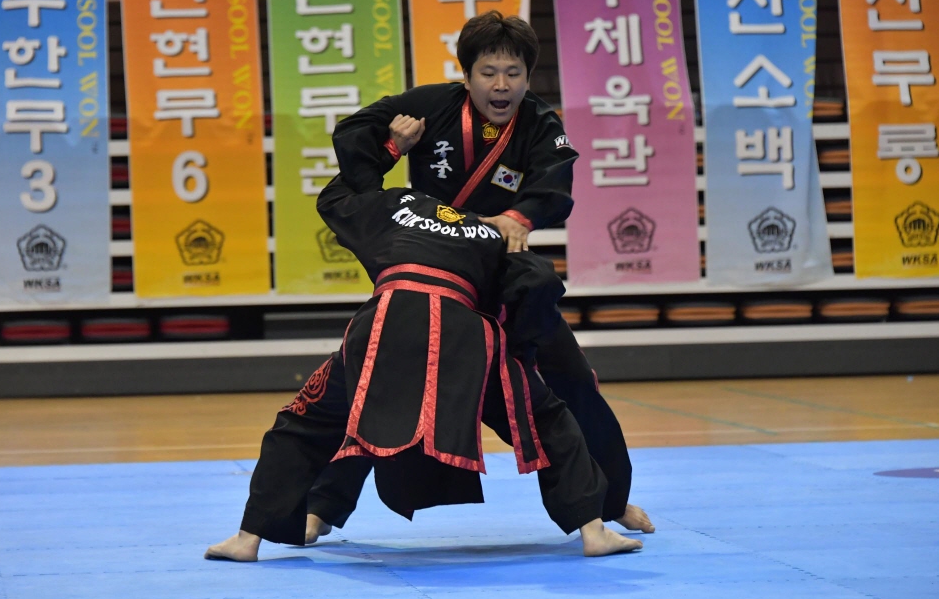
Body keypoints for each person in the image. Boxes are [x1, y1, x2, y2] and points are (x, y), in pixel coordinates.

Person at [305, 10, 652, 543]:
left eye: (513, 73)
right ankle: (321, 507)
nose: (501, 85)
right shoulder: (432, 106)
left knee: (572, 380)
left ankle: (610, 500)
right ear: (467, 76)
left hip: (503, 275)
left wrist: (518, 217)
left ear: (528, 77)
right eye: (488, 72)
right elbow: (352, 135)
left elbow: (555, 182)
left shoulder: (541, 124)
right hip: (433, 273)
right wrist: (392, 148)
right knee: (377, 381)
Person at [204, 173, 644, 560]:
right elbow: (539, 281)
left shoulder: (396, 206)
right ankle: (593, 530)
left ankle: (249, 538)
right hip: (464, 335)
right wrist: (521, 351)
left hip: (384, 326)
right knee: (546, 419)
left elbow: (335, 198)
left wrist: (388, 148)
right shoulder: (494, 233)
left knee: (303, 421)